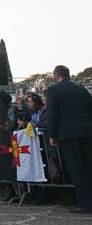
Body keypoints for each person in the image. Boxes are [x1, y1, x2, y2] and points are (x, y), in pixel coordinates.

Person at [46, 65, 92, 213]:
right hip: (86, 133)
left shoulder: (54, 90)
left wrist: (52, 135)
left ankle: (84, 203)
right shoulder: (82, 89)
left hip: (67, 135)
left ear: (57, 75)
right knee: (89, 166)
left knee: (76, 169)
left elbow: (52, 115)